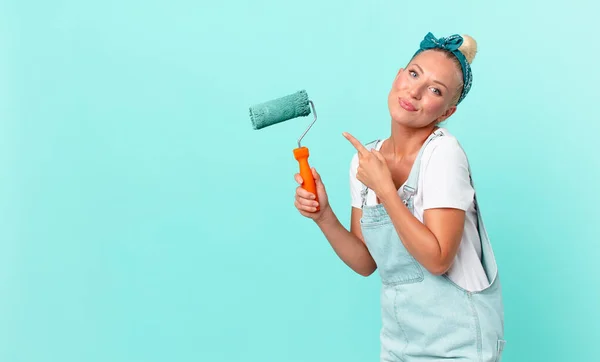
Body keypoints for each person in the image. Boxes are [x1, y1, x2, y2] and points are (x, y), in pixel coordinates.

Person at [293, 32, 505, 361]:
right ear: (398, 76)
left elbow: (437, 259)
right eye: (414, 73)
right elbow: (366, 263)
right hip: (399, 345)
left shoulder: (442, 154)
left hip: (459, 346)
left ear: (446, 112)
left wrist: (385, 190)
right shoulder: (367, 161)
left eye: (435, 90)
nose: (415, 91)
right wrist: (324, 216)